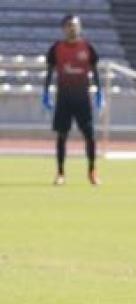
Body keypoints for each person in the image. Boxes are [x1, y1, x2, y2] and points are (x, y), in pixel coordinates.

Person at [43, 13, 103, 186]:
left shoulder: (87, 48)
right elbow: (49, 72)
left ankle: (92, 171)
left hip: (82, 99)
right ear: (63, 28)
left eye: (75, 25)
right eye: (69, 25)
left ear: (80, 27)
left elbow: (95, 72)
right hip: (64, 99)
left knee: (90, 136)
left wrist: (99, 92)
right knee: (62, 135)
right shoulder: (56, 48)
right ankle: (60, 173)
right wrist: (46, 92)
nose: (72, 28)